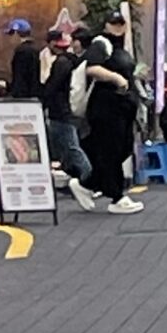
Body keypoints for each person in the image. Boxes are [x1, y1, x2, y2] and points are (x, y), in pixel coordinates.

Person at [79, 32, 143, 213]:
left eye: (121, 23)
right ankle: (117, 197)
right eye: (113, 23)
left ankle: (87, 184)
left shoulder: (122, 48)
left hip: (122, 110)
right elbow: (90, 68)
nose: (119, 27)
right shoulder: (101, 43)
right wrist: (118, 79)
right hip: (106, 110)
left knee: (123, 149)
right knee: (111, 152)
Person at [38, 31, 100, 210]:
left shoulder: (62, 63)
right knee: (63, 147)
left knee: (71, 147)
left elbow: (52, 86)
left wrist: (43, 100)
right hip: (72, 110)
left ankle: (89, 181)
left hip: (61, 111)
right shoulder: (77, 61)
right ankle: (72, 179)